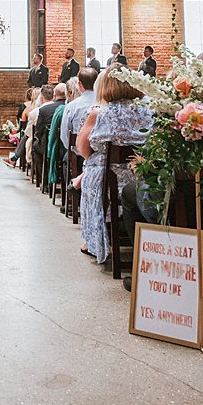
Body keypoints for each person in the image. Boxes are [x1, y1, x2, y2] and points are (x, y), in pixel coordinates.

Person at [76, 68, 153, 263]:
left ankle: (93, 241)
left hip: (107, 179)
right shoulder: (149, 110)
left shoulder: (99, 113)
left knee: (91, 169)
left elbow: (83, 149)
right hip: (143, 175)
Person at [58, 66, 100, 168]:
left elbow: (64, 137)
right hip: (102, 155)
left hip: (77, 156)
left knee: (65, 161)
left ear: (80, 84)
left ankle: (71, 183)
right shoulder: (105, 103)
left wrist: (73, 149)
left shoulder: (71, 106)